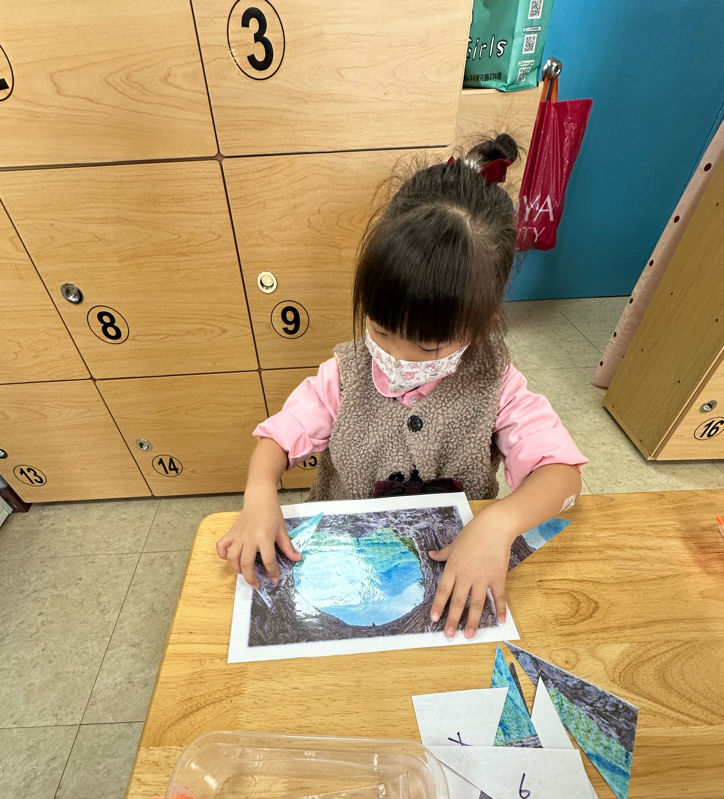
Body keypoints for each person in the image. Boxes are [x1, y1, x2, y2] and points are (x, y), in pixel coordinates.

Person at [217, 135, 587, 638]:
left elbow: (562, 477)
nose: (399, 357)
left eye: (429, 345)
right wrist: (260, 491)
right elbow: (278, 439)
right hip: (345, 564)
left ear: (481, 325)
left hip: (451, 563)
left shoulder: (495, 382)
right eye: (381, 330)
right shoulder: (345, 374)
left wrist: (498, 524)